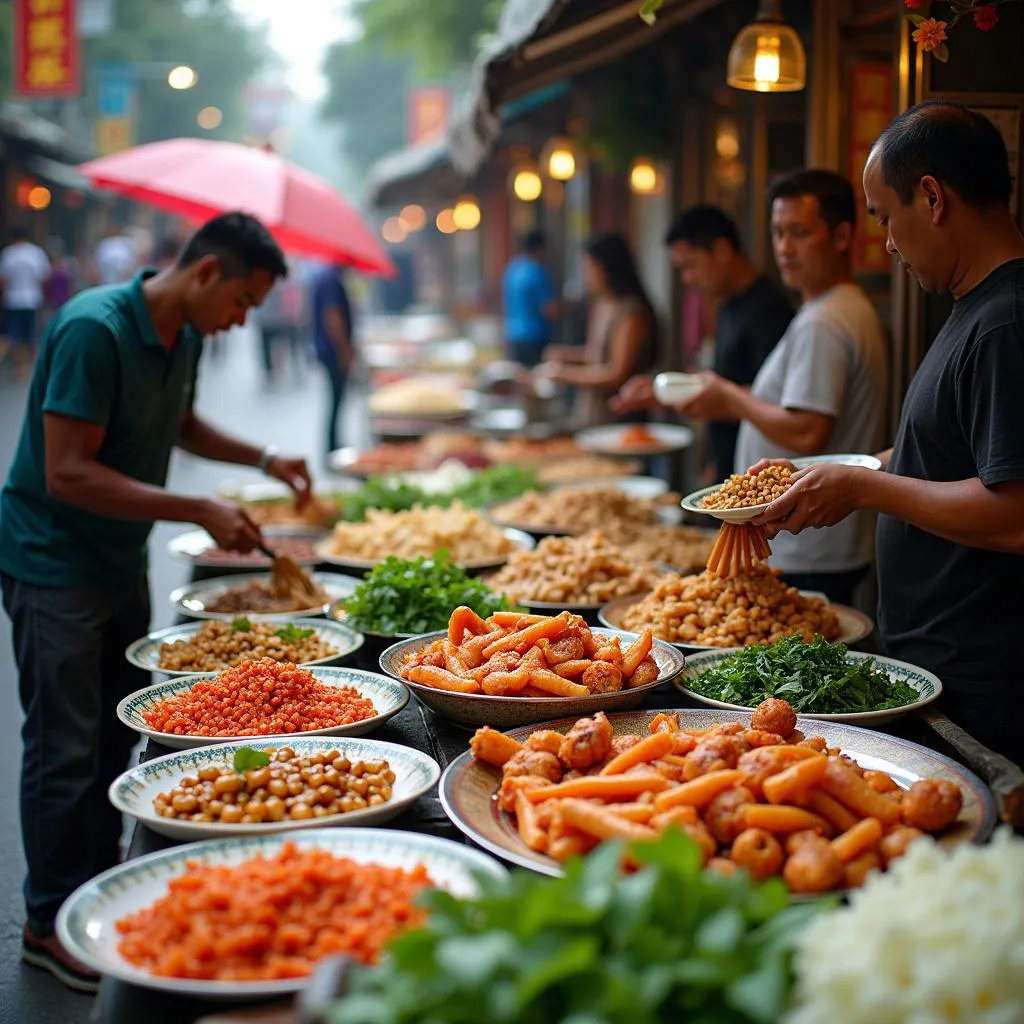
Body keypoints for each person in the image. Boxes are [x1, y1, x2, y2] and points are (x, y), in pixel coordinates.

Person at [0, 211, 311, 991]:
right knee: (62, 749)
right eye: (242, 301)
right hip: (54, 562)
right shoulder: (91, 329)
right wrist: (198, 510)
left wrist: (266, 456)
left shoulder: (188, 337)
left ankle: (96, 887)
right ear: (207, 273)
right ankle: (46, 921)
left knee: (111, 737)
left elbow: (179, 422)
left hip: (118, 559)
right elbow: (68, 470)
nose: (242, 320)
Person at [754, 102, 1024, 762]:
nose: (889, 244)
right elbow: (943, 458)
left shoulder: (1005, 323)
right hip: (937, 667)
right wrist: (847, 471)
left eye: (884, 218)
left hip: (983, 685)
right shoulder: (972, 309)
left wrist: (864, 488)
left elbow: (1015, 513)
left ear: (931, 197)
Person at [671, 171, 889, 606]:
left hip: (810, 546)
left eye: (800, 233)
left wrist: (731, 396)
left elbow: (808, 431)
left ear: (843, 236)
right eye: (777, 233)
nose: (785, 248)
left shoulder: (825, 322)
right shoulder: (833, 310)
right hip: (816, 543)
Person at [613, 206, 794, 480]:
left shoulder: (768, 309)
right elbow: (723, 384)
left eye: (691, 265)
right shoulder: (727, 304)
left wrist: (671, 395)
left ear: (722, 250)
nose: (687, 279)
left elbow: (770, 401)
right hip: (730, 463)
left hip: (761, 473)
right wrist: (664, 390)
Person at [538, 233, 660, 429]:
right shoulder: (602, 303)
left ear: (606, 267)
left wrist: (563, 373)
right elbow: (599, 353)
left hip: (618, 416)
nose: (585, 275)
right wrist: (566, 355)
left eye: (588, 267)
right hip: (591, 412)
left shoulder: (630, 311)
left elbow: (616, 373)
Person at [311, 261, 354, 458]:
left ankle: (334, 447)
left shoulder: (329, 278)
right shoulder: (331, 280)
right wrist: (345, 351)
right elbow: (332, 317)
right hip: (332, 352)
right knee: (336, 401)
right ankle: (333, 450)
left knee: (336, 401)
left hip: (328, 350)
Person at [0, 225, 51, 381]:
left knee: (15, 336)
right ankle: (32, 368)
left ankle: (19, 369)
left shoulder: (8, 254)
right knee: (31, 334)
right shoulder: (36, 253)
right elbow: (44, 277)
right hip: (32, 299)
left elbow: (3, 280)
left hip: (13, 300)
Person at [502, 229, 559, 367]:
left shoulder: (512, 268)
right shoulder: (537, 271)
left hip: (513, 335)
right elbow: (550, 309)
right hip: (535, 338)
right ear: (539, 248)